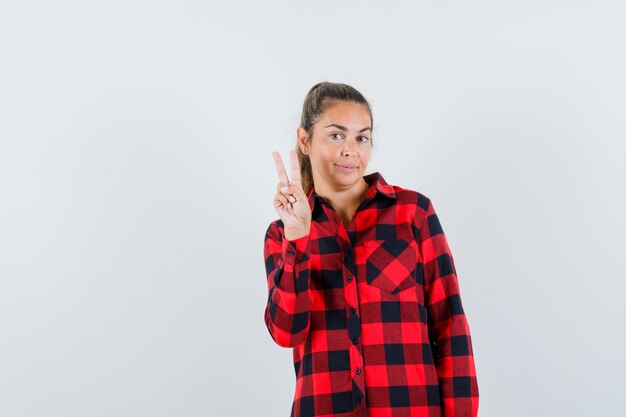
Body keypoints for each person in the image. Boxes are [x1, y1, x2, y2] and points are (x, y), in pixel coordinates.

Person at [263, 82, 479, 417]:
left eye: (361, 137)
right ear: (305, 141)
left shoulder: (413, 214)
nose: (351, 150)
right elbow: (285, 332)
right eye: (336, 136)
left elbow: (450, 325)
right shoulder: (282, 235)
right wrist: (297, 239)